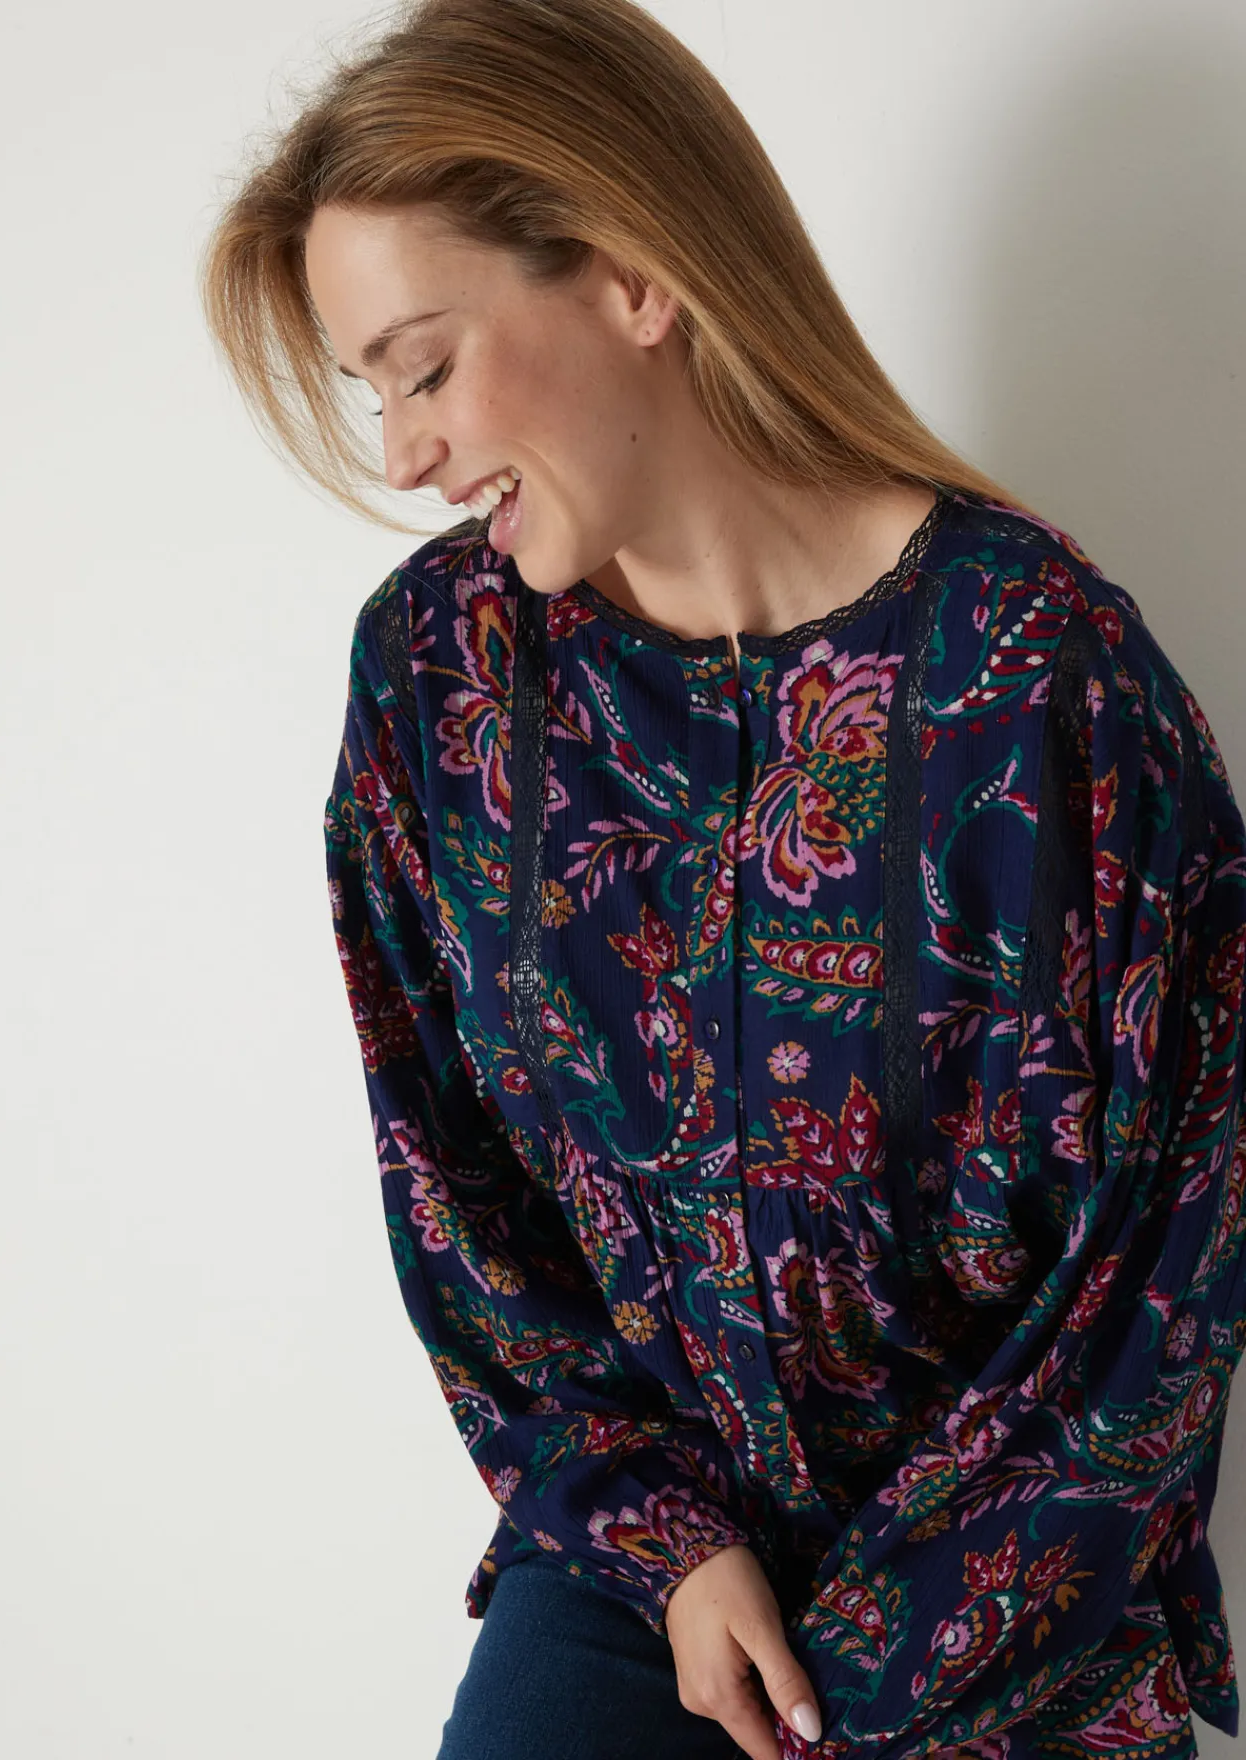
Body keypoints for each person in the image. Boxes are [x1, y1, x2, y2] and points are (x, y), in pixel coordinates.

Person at [198, 2, 1246, 1756]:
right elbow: (449, 1183)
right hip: (643, 1576)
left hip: (1013, 1606)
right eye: (372, 392)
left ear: (633, 274)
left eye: (425, 369)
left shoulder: (1044, 680)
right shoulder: (444, 684)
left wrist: (881, 1665)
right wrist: (666, 1544)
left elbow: (1172, 1251)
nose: (401, 455)